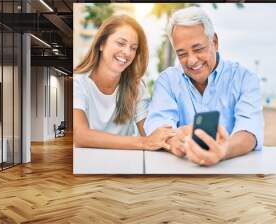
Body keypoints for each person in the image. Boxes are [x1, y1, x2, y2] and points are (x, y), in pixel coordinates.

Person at [144, 7, 264, 166]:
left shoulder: (245, 78)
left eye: (198, 49)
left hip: (231, 175)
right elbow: (158, 123)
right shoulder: (167, 80)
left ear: (214, 42)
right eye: (182, 54)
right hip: (180, 175)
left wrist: (223, 150)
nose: (192, 60)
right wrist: (174, 143)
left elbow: (249, 130)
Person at [73, 15, 175, 150]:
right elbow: (80, 135)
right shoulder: (78, 83)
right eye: (121, 43)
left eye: (133, 48)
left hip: (124, 167)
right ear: (102, 43)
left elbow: (149, 132)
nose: (127, 52)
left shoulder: (136, 87)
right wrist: (143, 142)